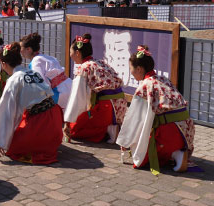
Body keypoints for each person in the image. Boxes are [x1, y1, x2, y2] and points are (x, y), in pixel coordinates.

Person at [116, 46, 195, 174]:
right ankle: (178, 152)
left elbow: (135, 119)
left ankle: (174, 153)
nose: (131, 72)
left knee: (143, 150)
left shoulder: (145, 85)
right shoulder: (163, 79)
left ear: (139, 69)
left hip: (169, 132)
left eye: (131, 69)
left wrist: (126, 141)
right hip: (187, 130)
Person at [0, 43, 63, 164]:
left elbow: (6, 112)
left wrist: (0, 141)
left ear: (3, 64)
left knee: (12, 147)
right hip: (54, 119)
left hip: (41, 123)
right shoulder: (32, 73)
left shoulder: (14, 79)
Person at [63, 34, 128, 143]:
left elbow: (77, 99)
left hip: (106, 107)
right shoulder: (101, 63)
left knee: (74, 129)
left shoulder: (84, 68)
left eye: (71, 52)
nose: (70, 55)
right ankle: (111, 126)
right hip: (120, 104)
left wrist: (68, 122)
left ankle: (108, 130)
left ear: (77, 53)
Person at [20, 33, 72, 110]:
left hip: (59, 93)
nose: (20, 51)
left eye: (21, 48)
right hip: (69, 86)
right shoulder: (47, 57)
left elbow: (40, 83)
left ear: (28, 49)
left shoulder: (36, 61)